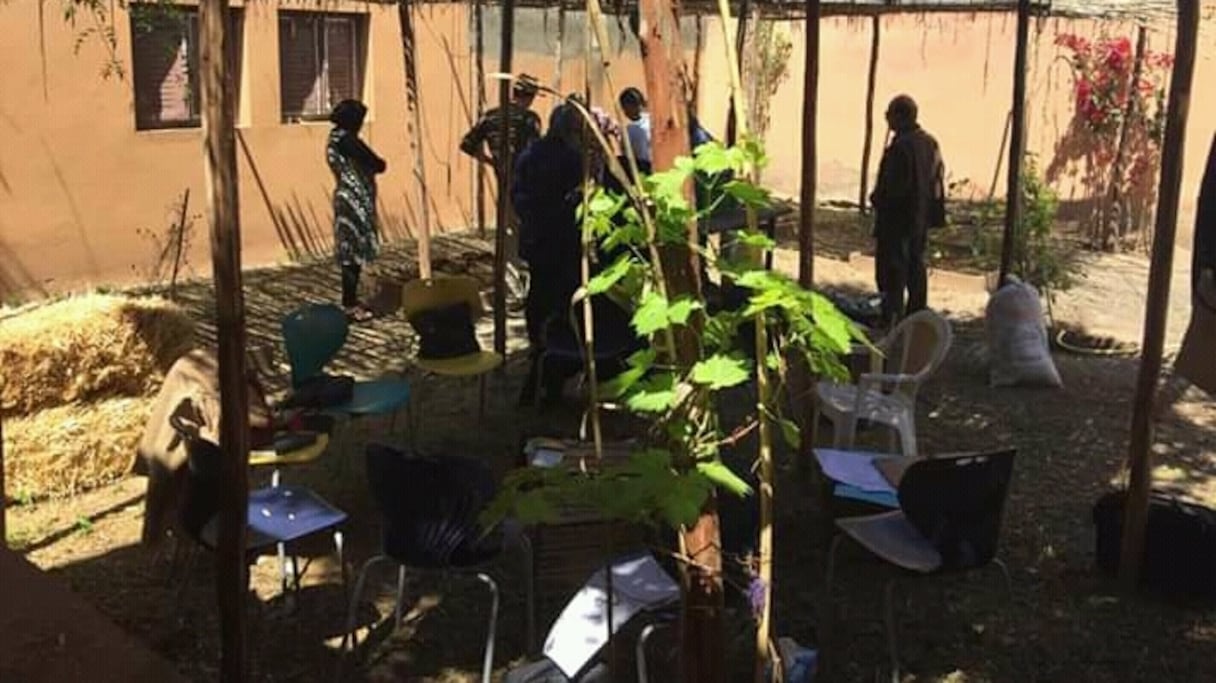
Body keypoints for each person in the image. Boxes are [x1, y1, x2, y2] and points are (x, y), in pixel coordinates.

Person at [511, 103, 587, 405]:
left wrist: (530, 219)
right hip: (561, 240)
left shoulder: (530, 154)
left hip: (535, 238)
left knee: (538, 294)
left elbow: (516, 194)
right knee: (562, 301)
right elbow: (577, 197)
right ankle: (552, 364)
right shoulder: (571, 157)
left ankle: (537, 345)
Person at [870, 94, 945, 326]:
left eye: (889, 115)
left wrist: (878, 199)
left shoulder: (902, 148)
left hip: (897, 220)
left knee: (892, 270)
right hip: (918, 219)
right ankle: (915, 315)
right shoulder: (929, 143)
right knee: (915, 266)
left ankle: (891, 316)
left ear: (900, 116)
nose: (887, 120)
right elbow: (937, 181)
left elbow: (895, 186)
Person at [460, 75, 543, 270]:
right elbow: (535, 151)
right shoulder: (529, 119)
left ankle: (511, 271)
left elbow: (466, 144)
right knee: (528, 227)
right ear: (529, 97)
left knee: (509, 229)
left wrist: (490, 161)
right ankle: (526, 269)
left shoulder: (490, 117)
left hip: (504, 179)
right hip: (526, 182)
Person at [327, 99, 386, 322]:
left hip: (348, 196)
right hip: (354, 201)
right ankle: (350, 304)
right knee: (352, 254)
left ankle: (350, 301)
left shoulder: (334, 138)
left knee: (351, 252)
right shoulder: (348, 140)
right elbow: (377, 163)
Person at [619, 87, 652, 172]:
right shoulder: (654, 121)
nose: (625, 112)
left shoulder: (630, 129)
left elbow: (627, 152)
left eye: (625, 108)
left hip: (641, 167)